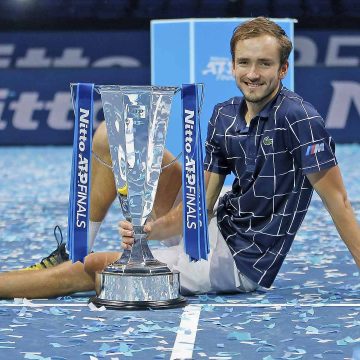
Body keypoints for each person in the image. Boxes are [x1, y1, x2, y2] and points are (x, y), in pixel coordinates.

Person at [0, 17, 359, 299]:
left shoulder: (300, 119)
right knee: (112, 136)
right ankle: (75, 248)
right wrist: (153, 229)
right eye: (244, 63)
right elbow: (200, 204)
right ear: (231, 67)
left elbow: (340, 202)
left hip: (237, 261)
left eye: (264, 64)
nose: (253, 74)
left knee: (95, 269)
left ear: (282, 69)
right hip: (214, 224)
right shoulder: (224, 115)